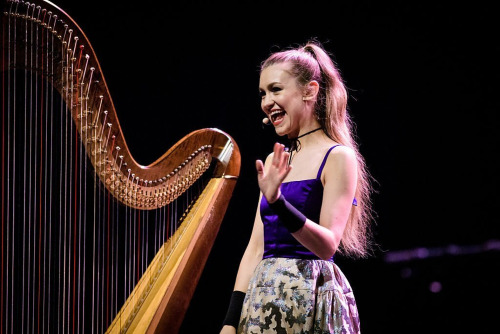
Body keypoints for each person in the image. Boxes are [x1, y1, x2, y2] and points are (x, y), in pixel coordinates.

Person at [220, 40, 375, 334]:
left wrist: (278, 202)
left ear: (310, 91)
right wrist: (230, 320)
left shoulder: (338, 156)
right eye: (263, 93)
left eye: (276, 90)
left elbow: (327, 245)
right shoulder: (275, 160)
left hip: (309, 296)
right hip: (263, 299)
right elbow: (255, 247)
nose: (266, 102)